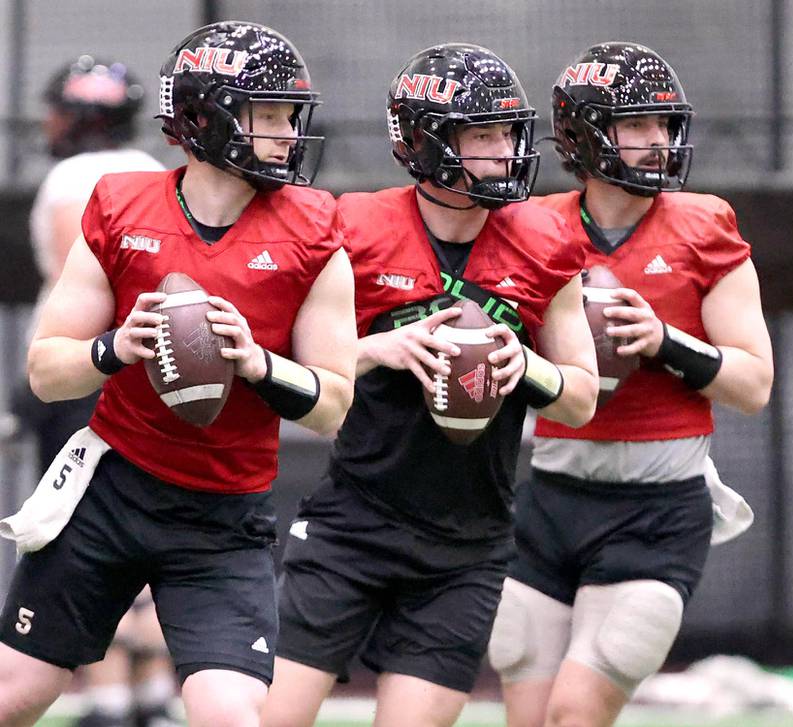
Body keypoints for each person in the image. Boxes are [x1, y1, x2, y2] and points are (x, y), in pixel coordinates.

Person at [0, 20, 356, 727]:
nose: (289, 133)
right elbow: (46, 370)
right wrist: (113, 347)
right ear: (206, 117)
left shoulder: (314, 230)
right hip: (110, 492)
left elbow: (333, 405)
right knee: (15, 693)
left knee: (232, 715)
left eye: (292, 115)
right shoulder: (122, 205)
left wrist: (258, 364)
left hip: (222, 517)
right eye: (272, 115)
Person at [263, 43, 598, 727]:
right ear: (425, 140)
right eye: (482, 134)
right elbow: (278, 367)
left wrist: (523, 365)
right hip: (350, 528)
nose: (504, 151)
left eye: (508, 132)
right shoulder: (353, 229)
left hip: (466, 548)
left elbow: (584, 396)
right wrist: (371, 347)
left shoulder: (543, 240)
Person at [487, 42, 774, 727]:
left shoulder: (704, 225)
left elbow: (755, 383)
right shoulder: (532, 226)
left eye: (664, 125)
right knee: (528, 717)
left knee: (574, 713)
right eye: (638, 125)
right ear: (587, 134)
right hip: (553, 494)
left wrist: (665, 341)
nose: (658, 142)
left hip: (657, 506)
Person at [13, 54, 178, 727]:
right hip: (163, 373)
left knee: (87, 533)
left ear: (79, 116)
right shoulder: (154, 173)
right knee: (156, 525)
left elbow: (77, 289)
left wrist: (34, 392)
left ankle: (110, 696)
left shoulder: (69, 180)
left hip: (92, 368)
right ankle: (156, 694)